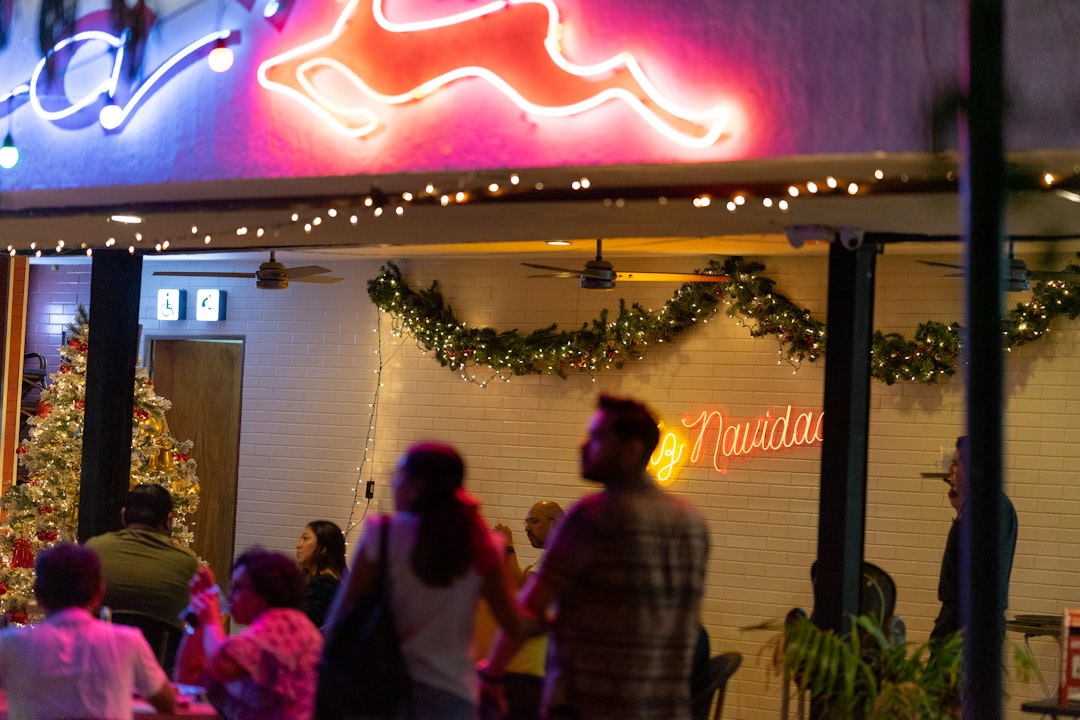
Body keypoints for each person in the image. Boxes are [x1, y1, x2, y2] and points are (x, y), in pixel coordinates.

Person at [481, 394, 710, 720]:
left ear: (631, 449)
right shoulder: (692, 521)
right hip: (664, 705)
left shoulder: (592, 517)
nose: (583, 445)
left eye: (597, 438)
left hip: (590, 703)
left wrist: (492, 672)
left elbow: (530, 608)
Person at [323, 442, 542, 720]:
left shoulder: (382, 535)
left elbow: (341, 614)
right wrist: (549, 615)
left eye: (398, 474)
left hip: (381, 688)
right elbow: (514, 623)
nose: (393, 481)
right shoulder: (484, 544)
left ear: (417, 484)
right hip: (452, 695)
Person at [0, 542, 177, 719]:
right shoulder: (128, 641)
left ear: (38, 596)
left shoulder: (10, 643)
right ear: (99, 592)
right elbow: (166, 702)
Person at [174, 548, 324, 720]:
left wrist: (211, 618)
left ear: (264, 593)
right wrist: (198, 617)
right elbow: (188, 678)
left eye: (238, 588)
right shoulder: (254, 639)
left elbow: (219, 664)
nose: (230, 596)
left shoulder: (288, 625)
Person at [85, 482, 199, 674]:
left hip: (97, 668)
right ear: (168, 520)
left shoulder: (95, 549)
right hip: (157, 672)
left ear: (123, 515)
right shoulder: (186, 562)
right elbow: (194, 620)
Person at [930, 435, 1019, 643]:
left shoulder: (987, 507)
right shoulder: (981, 505)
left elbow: (982, 572)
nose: (950, 471)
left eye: (955, 464)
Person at [490, 500, 564, 720]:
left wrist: (507, 547)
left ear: (554, 523)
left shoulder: (557, 556)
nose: (527, 528)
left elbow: (522, 590)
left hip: (538, 667)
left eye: (534, 521)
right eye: (527, 522)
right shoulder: (550, 556)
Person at [296, 519, 347, 628]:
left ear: (323, 548)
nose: (298, 545)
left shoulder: (324, 584)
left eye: (305, 538)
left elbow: (306, 626)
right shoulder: (316, 579)